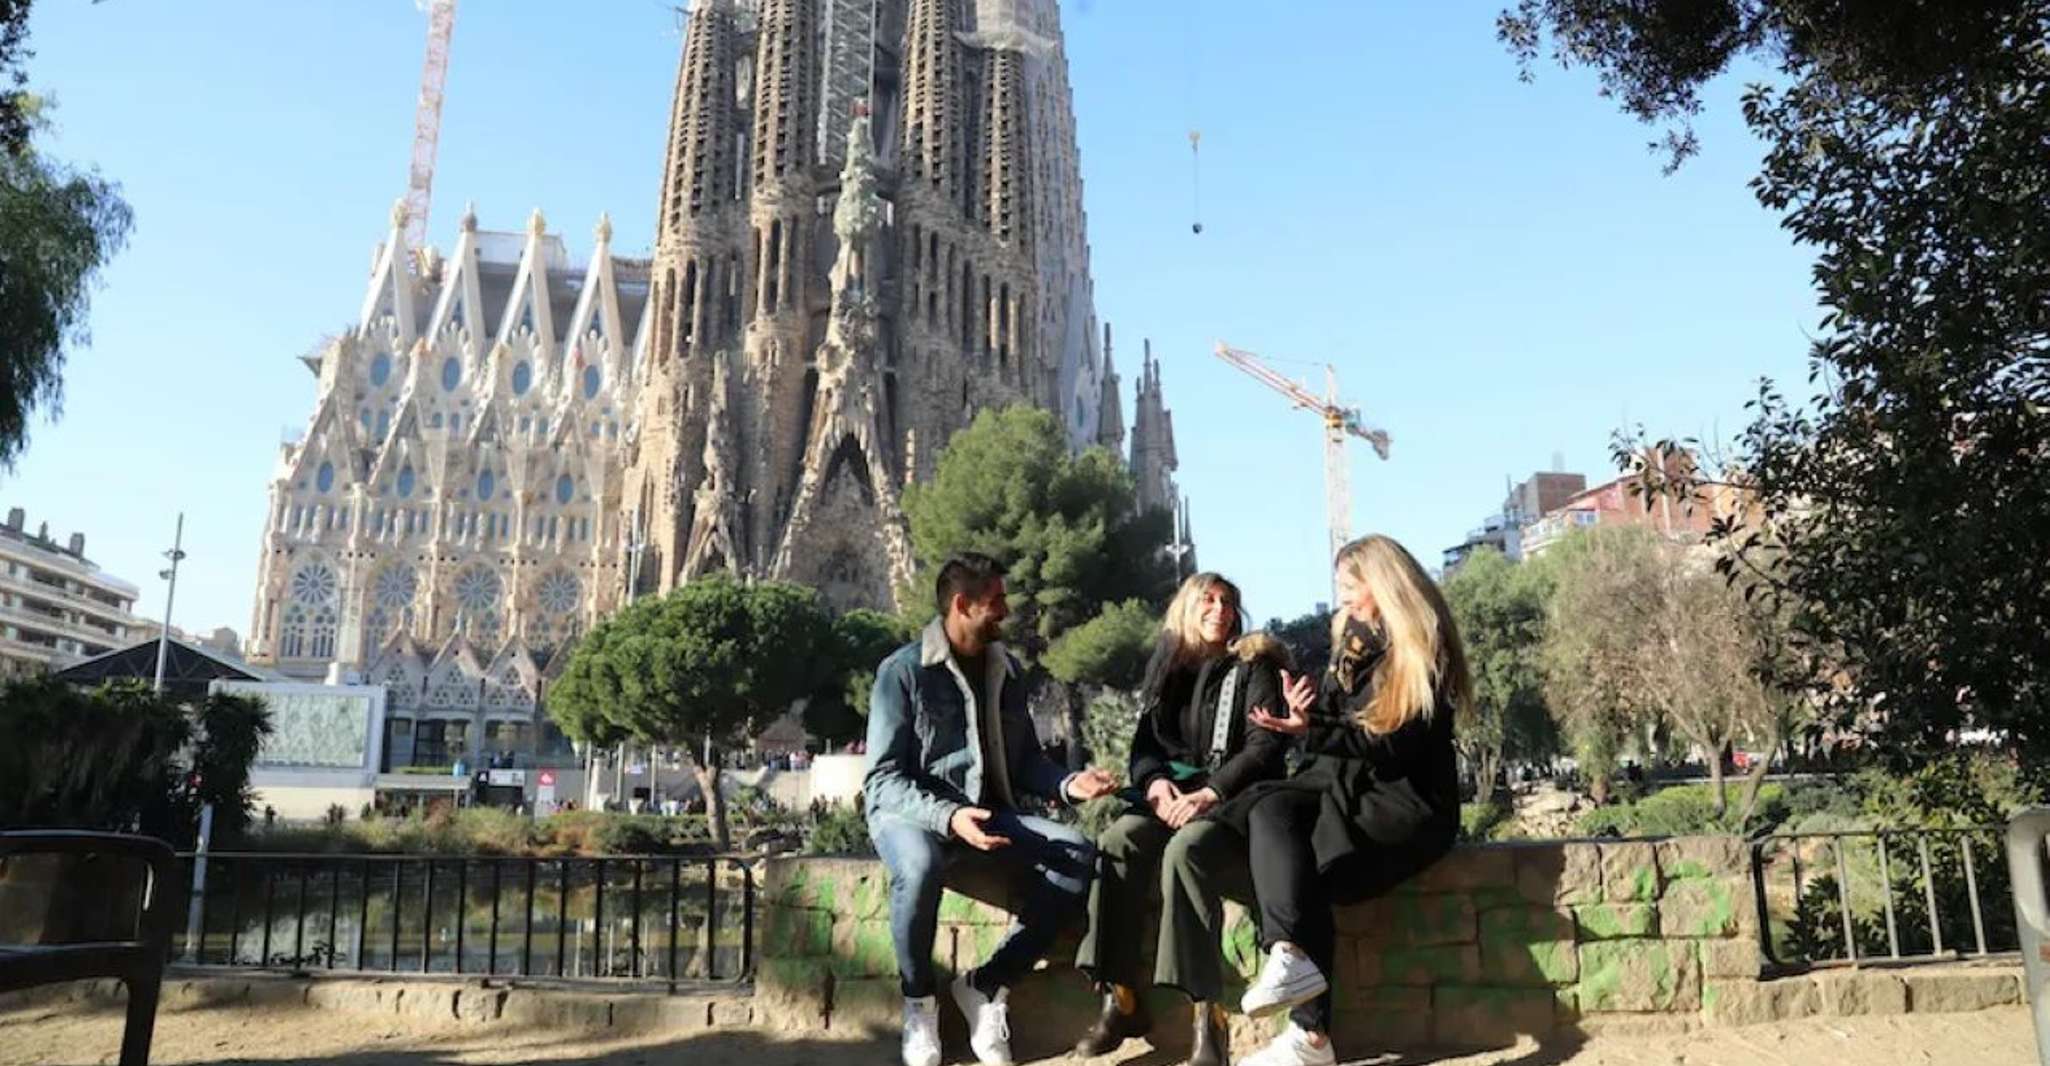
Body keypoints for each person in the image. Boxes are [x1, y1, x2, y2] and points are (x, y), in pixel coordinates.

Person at [1157, 535, 1471, 1066]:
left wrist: (1314, 730)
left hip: (1403, 804)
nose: (1342, 597)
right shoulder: (1352, 645)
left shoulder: (1422, 651)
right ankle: (1289, 964)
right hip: (1343, 788)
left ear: (1385, 586)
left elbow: (1393, 747)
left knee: (1308, 866)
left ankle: (1309, 1034)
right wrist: (1303, 720)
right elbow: (1332, 724)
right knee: (1268, 807)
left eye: (1351, 586)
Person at [864, 552, 1121, 1066]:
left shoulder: (1007, 670)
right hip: (909, 815)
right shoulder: (903, 672)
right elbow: (883, 779)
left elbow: (1024, 762)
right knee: (920, 867)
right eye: (996, 600)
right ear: (962, 604)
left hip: (985, 811)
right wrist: (948, 817)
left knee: (1077, 852)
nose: (1006, 610)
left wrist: (1069, 783)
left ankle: (986, 984)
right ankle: (919, 1002)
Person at [1071, 572, 1291, 1063]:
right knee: (1119, 840)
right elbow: (1144, 748)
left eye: (1227, 602)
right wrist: (1154, 784)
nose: (1220, 610)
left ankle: (1207, 1017)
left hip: (1232, 803)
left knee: (1185, 852)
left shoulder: (1253, 667)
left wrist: (1209, 793)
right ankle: (1120, 997)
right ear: (1186, 610)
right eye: (1208, 600)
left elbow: (1264, 747)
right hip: (1172, 799)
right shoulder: (1168, 672)